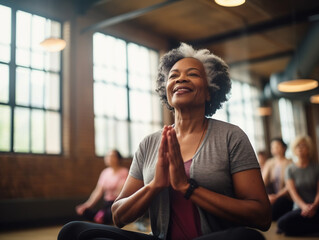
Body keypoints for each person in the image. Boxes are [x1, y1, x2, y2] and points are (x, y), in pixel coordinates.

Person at [58, 43, 271, 240]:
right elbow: (118, 216)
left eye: (193, 74)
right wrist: (154, 186)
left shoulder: (230, 137)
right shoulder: (149, 144)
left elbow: (261, 216)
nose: (180, 79)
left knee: (247, 238)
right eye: (173, 76)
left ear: (209, 91)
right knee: (74, 232)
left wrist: (187, 187)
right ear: (166, 91)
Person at [277, 135, 319, 236]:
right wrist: (304, 207)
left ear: (309, 149)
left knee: (289, 231)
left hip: (316, 207)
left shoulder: (316, 167)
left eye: (303, 146)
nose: (300, 148)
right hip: (300, 208)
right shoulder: (290, 169)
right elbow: (292, 192)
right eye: (297, 146)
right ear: (293, 149)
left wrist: (314, 206)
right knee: (281, 223)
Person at [75, 149, 128, 224]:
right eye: (107, 156)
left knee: (109, 214)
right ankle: (102, 215)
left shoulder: (124, 172)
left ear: (118, 159)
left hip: (117, 204)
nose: (109, 158)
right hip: (106, 204)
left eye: (112, 156)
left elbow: (121, 192)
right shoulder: (105, 172)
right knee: (84, 211)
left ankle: (103, 216)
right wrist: (86, 205)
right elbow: (98, 191)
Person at [262, 138, 293, 220]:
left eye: (277, 146)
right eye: (273, 147)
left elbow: (289, 186)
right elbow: (262, 182)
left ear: (284, 148)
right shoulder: (269, 162)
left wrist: (276, 196)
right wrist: (267, 196)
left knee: (273, 212)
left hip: (286, 197)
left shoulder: (290, 163)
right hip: (272, 196)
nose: (275, 149)